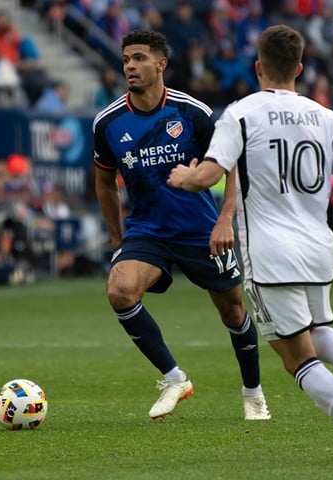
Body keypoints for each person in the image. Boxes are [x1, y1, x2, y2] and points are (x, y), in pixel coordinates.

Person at [167, 25, 333, 461]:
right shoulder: (326, 116)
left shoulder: (240, 113)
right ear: (299, 68)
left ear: (258, 67)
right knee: (316, 330)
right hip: (318, 248)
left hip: (271, 254)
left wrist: (183, 177)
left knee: (296, 358)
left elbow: (211, 174)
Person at [93, 29, 270, 421]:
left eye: (139, 58)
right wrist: (118, 239)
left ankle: (253, 394)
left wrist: (226, 220)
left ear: (161, 64)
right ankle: (175, 378)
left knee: (233, 312)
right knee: (120, 291)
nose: (130, 67)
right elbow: (104, 181)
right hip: (147, 230)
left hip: (201, 231)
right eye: (126, 60)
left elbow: (232, 164)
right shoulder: (108, 123)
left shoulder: (194, 114)